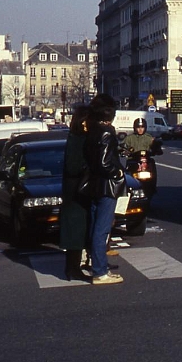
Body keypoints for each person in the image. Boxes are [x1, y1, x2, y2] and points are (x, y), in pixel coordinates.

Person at [84, 94, 127, 286]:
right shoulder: (106, 132)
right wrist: (117, 173)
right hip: (106, 186)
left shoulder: (92, 130)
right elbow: (104, 163)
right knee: (102, 229)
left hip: (93, 185)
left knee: (95, 228)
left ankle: (97, 265)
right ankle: (100, 271)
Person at [59, 105, 91, 281]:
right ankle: (72, 268)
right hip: (76, 190)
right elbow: (73, 166)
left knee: (77, 230)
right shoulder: (78, 139)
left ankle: (73, 267)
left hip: (74, 189)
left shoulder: (76, 137)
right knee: (76, 231)